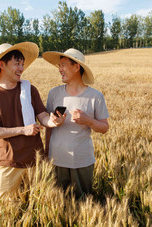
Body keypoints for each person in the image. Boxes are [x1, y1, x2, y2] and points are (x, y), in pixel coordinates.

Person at [0, 42, 66, 202]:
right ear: (1, 64)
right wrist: (23, 130)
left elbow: (43, 117)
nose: (21, 68)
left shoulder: (30, 90)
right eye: (17, 63)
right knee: (3, 209)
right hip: (9, 162)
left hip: (35, 160)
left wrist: (54, 122)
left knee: (39, 204)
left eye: (22, 64)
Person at [42, 48, 109, 198]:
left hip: (82, 161)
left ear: (76, 67)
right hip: (57, 159)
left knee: (83, 202)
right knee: (58, 203)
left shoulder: (95, 96)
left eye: (63, 65)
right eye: (59, 66)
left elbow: (105, 128)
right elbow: (49, 127)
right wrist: (47, 152)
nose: (60, 70)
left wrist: (88, 121)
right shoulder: (54, 93)